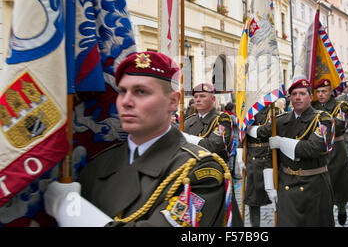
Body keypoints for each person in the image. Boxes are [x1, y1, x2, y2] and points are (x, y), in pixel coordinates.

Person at [43, 51, 242, 227]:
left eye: (141, 92)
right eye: (122, 91)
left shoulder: (200, 172)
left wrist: (71, 210)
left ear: (173, 101)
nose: (126, 102)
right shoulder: (99, 163)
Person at [247, 79, 335, 227]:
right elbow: (271, 157)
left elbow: (314, 148)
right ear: (290, 98)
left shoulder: (322, 119)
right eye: (294, 94)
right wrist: (269, 186)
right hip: (287, 185)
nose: (298, 97)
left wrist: (282, 142)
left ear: (310, 97)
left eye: (302, 93)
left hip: (314, 184)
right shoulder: (280, 121)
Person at [312, 79, 348, 226]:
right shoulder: (312, 107)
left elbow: (340, 125)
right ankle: (326, 214)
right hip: (318, 151)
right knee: (322, 186)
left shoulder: (341, 106)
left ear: (331, 92)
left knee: (339, 183)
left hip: (337, 150)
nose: (320, 94)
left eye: (324, 91)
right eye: (318, 91)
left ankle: (342, 208)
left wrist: (318, 125)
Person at [240, 104, 281, 227]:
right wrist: (240, 154)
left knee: (277, 196)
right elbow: (242, 135)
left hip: (270, 154)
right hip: (252, 157)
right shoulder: (248, 111)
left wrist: (251, 129)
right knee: (253, 199)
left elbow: (270, 129)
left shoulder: (274, 110)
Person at [183, 83, 233, 163]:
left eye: (202, 96)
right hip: (190, 168)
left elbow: (213, 145)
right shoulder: (189, 121)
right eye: (195, 97)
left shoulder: (222, 119)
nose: (198, 99)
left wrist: (187, 137)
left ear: (213, 99)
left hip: (213, 169)